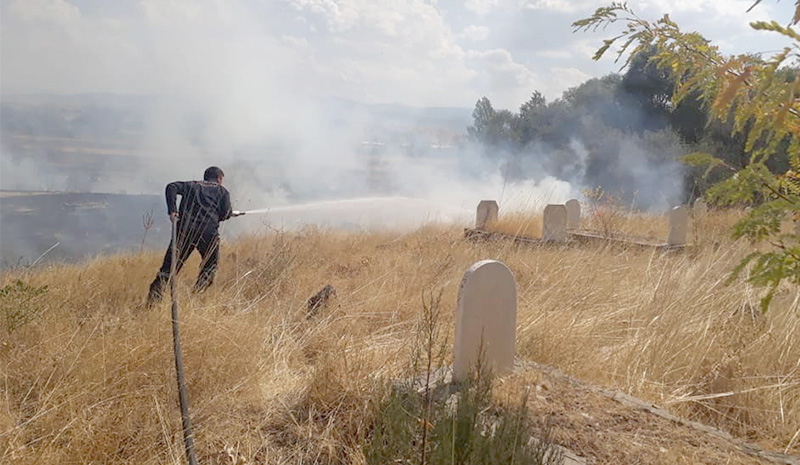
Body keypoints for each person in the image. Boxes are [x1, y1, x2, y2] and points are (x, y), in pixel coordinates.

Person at [146, 166, 235, 307]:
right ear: (219, 179)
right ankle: (196, 297)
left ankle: (152, 303)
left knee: (169, 268)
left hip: (185, 232)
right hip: (208, 233)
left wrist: (172, 210)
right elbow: (225, 214)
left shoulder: (191, 185)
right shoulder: (222, 192)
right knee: (210, 267)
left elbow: (171, 187)